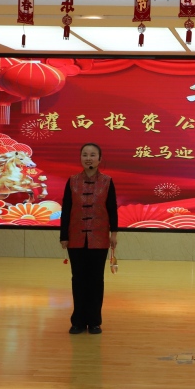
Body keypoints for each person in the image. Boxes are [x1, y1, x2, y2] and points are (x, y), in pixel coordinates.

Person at [60, 143, 118, 335]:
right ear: (80, 158)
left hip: (99, 237)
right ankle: (78, 321)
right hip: (75, 236)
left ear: (99, 159)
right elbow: (66, 209)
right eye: (85, 155)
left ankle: (94, 321)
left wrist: (114, 233)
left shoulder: (107, 181)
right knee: (78, 279)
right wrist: (64, 236)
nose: (88, 158)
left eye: (93, 155)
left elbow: (112, 208)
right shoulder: (72, 181)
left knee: (96, 280)